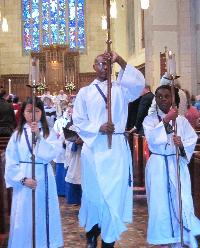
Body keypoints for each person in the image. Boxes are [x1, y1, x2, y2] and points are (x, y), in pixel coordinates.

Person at [72, 51, 145, 247]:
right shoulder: (85, 93)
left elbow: (139, 84)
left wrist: (119, 59)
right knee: (94, 194)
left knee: (114, 193)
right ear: (94, 67)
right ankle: (92, 231)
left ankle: (109, 239)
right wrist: (98, 128)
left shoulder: (122, 90)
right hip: (95, 149)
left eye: (107, 64)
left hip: (116, 150)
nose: (104, 67)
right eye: (100, 64)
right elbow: (78, 120)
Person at [143, 84, 200, 248]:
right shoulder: (150, 120)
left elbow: (190, 141)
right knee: (160, 204)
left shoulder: (181, 121)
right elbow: (153, 139)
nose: (162, 99)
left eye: (166, 96)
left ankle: (183, 236)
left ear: (173, 99)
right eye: (159, 96)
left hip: (176, 164)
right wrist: (167, 119)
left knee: (181, 200)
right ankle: (163, 239)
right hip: (158, 165)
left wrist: (181, 144)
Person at [4, 97, 64, 248]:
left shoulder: (48, 132)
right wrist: (23, 179)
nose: (33, 115)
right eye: (29, 111)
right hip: (24, 182)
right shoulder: (16, 135)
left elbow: (51, 154)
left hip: (44, 178)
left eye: (36, 111)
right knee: (24, 217)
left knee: (44, 214)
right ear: (23, 113)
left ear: (41, 113)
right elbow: (11, 162)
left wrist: (38, 135)